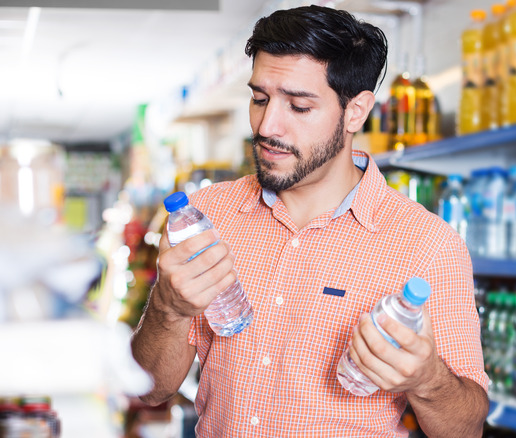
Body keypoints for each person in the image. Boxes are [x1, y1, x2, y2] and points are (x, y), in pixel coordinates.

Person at [130, 5, 488, 437]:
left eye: (298, 107)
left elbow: (465, 429)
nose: (267, 125)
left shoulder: (428, 245)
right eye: (260, 99)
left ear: (356, 112)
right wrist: (168, 309)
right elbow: (151, 391)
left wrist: (427, 380)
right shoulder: (208, 214)